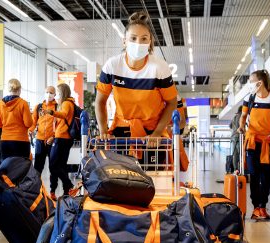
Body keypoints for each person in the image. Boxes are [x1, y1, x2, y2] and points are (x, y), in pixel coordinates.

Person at [94, 11, 178, 145]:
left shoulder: (159, 68)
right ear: (124, 41)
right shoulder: (112, 65)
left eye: (144, 39)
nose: (138, 43)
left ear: (150, 42)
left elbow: (172, 102)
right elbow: (100, 101)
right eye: (133, 38)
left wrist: (157, 133)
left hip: (151, 132)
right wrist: (103, 131)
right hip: (121, 131)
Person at [237, 69, 270, 221]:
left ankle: (262, 207)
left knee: (265, 176)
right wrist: (241, 127)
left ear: (260, 82)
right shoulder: (250, 99)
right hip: (252, 142)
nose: (250, 84)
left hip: (269, 143)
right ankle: (255, 207)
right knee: (253, 175)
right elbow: (243, 116)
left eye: (251, 81)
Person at [44, 83, 75, 197]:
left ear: (62, 92)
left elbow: (63, 115)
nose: (55, 95)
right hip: (63, 138)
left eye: (57, 92)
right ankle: (67, 190)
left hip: (62, 138)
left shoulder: (67, 103)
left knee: (53, 164)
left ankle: (69, 185)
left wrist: (51, 112)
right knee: (61, 165)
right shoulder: (66, 103)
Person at [0, 78, 32, 159]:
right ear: (20, 89)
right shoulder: (23, 103)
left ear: (8, 89)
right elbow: (28, 123)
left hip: (5, 141)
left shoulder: (0, 104)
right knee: (21, 167)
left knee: (6, 168)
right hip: (21, 141)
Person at [29, 86, 57, 199]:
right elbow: (33, 122)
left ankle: (53, 191)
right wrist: (30, 130)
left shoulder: (57, 107)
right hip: (40, 140)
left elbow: (60, 124)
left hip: (52, 141)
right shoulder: (38, 107)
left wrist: (54, 137)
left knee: (53, 167)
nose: (48, 94)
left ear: (55, 95)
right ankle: (36, 190)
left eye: (51, 92)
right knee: (37, 168)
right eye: (47, 92)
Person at [229, 106, 242, 173]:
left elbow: (230, 126)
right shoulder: (241, 116)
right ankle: (242, 169)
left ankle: (235, 169)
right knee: (241, 153)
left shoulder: (234, 117)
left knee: (235, 154)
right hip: (239, 137)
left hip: (233, 136)